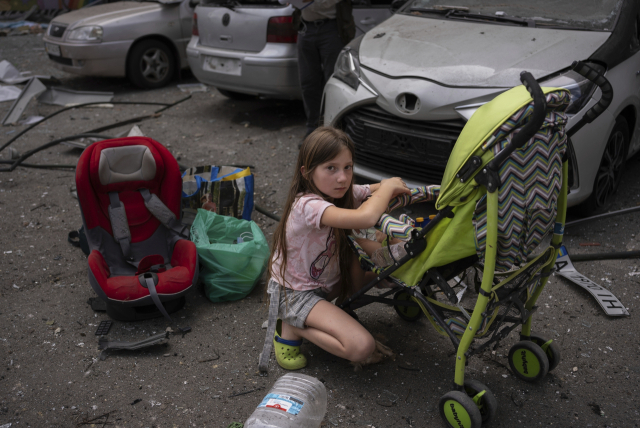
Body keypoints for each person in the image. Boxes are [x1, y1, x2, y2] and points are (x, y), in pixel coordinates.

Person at [258, 127, 410, 371]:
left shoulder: (339, 191)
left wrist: (384, 185)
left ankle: (381, 281)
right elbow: (365, 218)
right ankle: (294, 326)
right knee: (362, 347)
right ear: (307, 173)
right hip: (296, 294)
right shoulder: (307, 205)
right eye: (331, 168)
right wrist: (389, 187)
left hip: (325, 282)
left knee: (372, 258)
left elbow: (368, 191)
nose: (342, 177)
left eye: (347, 167)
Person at [295, 0, 355, 140]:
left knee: (334, 82)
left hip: (332, 28)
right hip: (306, 29)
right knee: (308, 82)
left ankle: (333, 131)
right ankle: (313, 129)